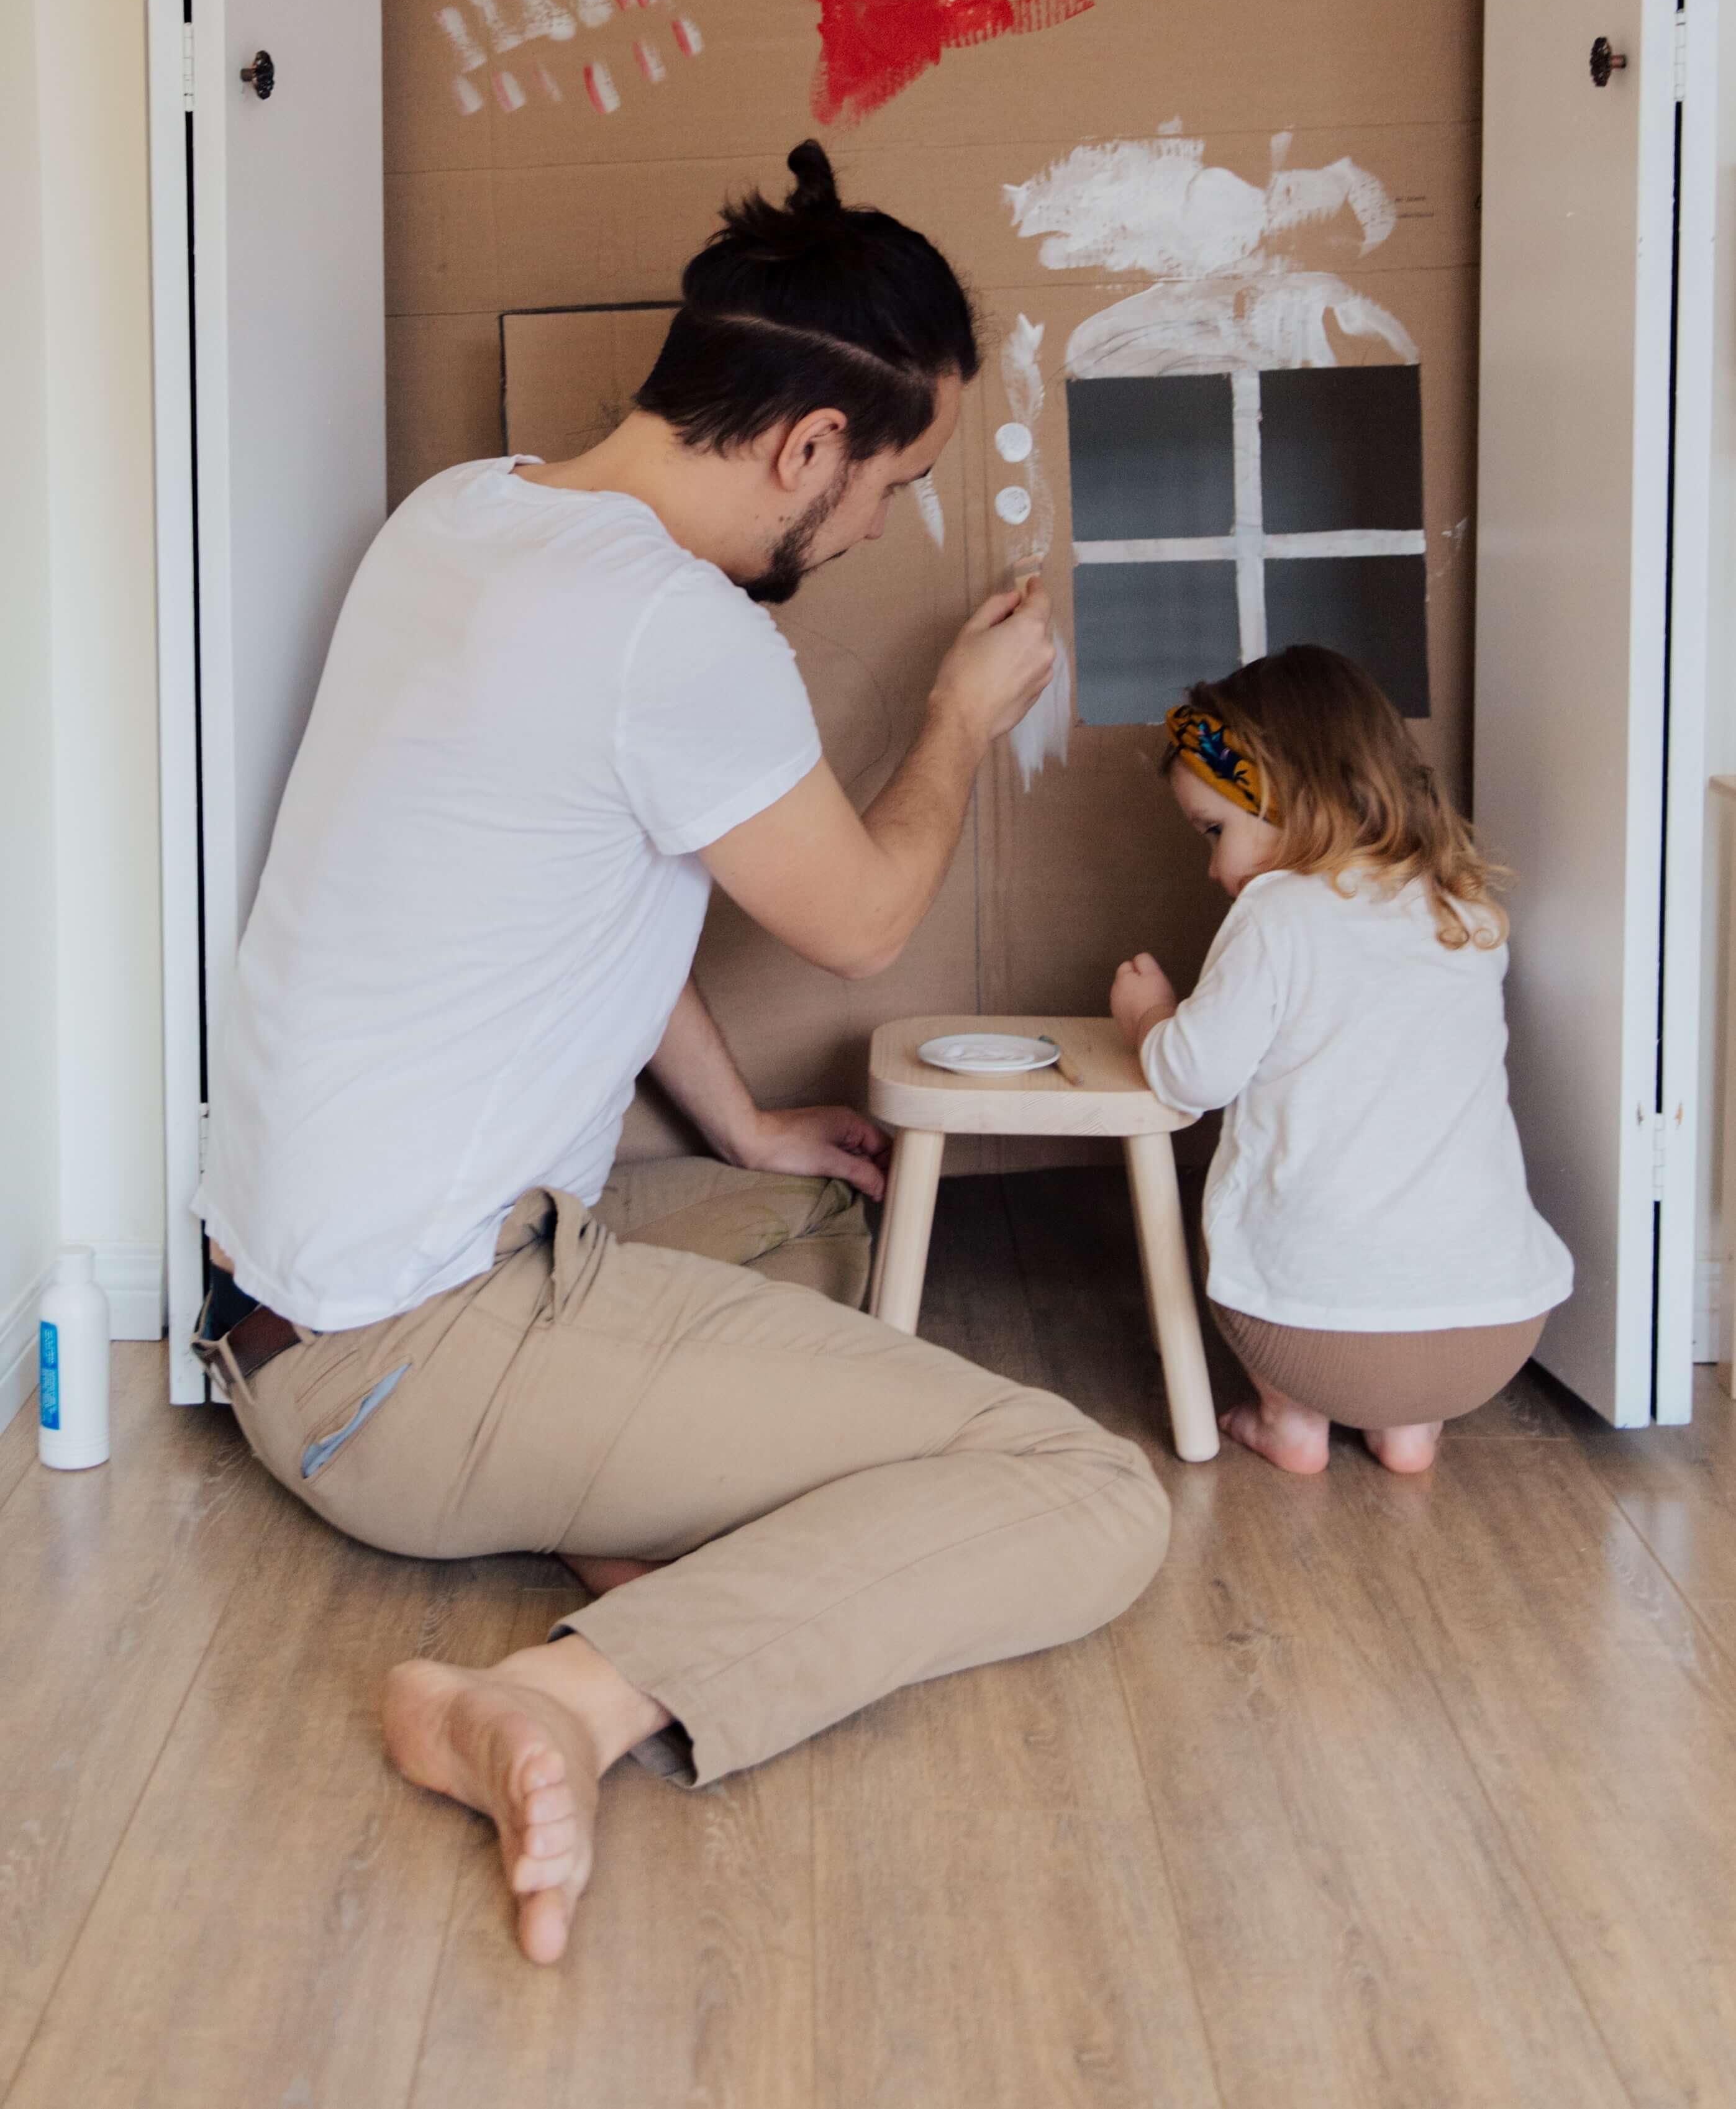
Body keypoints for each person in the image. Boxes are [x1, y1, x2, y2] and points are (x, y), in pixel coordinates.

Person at [191, 142, 1171, 1965]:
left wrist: (745, 1127)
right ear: (807, 444)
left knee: (817, 1224)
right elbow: (868, 916)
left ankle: (618, 1530)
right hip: (404, 1368)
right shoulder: (672, 627)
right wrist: (958, 715)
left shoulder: (464, 515)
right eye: (892, 481)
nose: (881, 526)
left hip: (283, 1314)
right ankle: (567, 1698)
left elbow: (593, 908)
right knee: (1085, 1494)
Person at [1109, 645, 1573, 1478]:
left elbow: (1194, 1076)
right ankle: (1410, 1430)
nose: (1217, 868)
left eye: (1217, 832)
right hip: (1493, 1332)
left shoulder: (1276, 915)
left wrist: (1151, 1017)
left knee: (1244, 1223)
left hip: (1313, 1339)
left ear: (1289, 796)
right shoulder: (1467, 910)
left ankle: (1289, 1418)